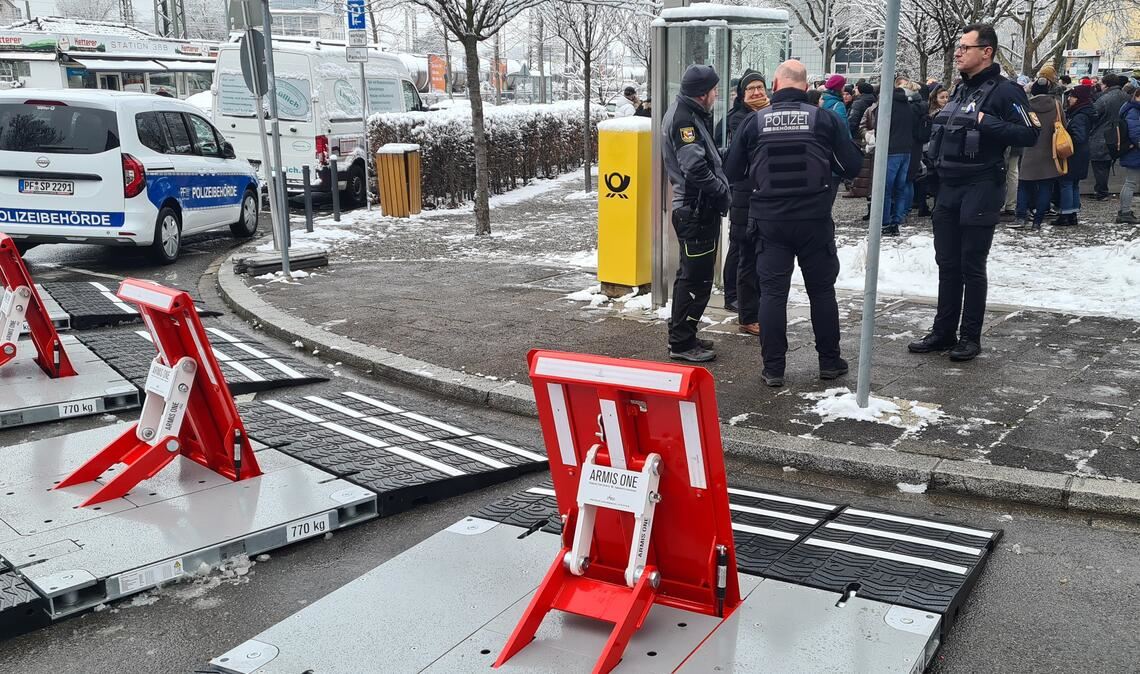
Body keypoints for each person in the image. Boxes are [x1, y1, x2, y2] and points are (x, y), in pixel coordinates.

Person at [724, 60, 863, 387]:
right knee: (821, 291)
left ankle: (773, 369)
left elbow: (732, 171)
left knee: (772, 294)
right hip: (814, 219)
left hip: (770, 222)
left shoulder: (754, 122)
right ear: (805, 86)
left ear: (774, 84)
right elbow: (852, 164)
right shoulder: (824, 119)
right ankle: (829, 361)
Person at [909, 23, 1037, 362]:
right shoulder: (961, 89)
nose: (959, 53)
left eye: (965, 47)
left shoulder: (1006, 91)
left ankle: (970, 337)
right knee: (947, 263)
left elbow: (1029, 135)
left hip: (981, 186)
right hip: (949, 187)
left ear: (987, 52)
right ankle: (943, 332)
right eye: (958, 48)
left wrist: (985, 122)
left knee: (971, 264)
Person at [661, 64, 730, 363]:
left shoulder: (688, 113)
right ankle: (681, 343)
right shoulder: (684, 120)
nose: (717, 93)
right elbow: (694, 168)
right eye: (714, 89)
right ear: (703, 93)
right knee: (696, 279)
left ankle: (683, 333)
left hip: (695, 209)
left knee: (690, 276)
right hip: (696, 210)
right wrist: (721, 191)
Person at [717, 70, 768, 336]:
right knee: (740, 246)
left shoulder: (764, 114)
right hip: (743, 192)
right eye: (752, 89)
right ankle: (733, 297)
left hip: (758, 192)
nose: (757, 93)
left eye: (760, 87)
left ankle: (743, 297)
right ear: (742, 94)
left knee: (744, 247)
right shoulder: (738, 119)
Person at [864, 78, 917, 235]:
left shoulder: (886, 106)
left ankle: (884, 222)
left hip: (890, 150)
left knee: (885, 189)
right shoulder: (908, 105)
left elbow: (880, 129)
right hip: (906, 150)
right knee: (900, 188)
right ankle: (896, 221)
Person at [1012, 79, 1063, 230]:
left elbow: (1018, 126)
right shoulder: (1056, 105)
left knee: (1024, 186)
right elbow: (1063, 126)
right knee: (1046, 187)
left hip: (1028, 151)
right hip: (1050, 152)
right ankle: (1038, 221)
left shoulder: (1026, 105)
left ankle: (1021, 217)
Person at [1056, 84, 1096, 226]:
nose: (1069, 99)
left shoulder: (1079, 115)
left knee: (1066, 183)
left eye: (1072, 97)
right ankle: (1072, 214)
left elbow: (1079, 137)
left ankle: (1065, 214)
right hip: (1082, 153)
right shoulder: (1085, 112)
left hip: (1074, 153)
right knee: (1074, 184)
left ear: (1078, 99)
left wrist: (1065, 138)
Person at [1090, 74, 1129, 200]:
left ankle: (1101, 192)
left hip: (1102, 135)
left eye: (1101, 84)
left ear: (1106, 84)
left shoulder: (1104, 99)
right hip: (1121, 135)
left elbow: (1093, 115)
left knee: (1100, 164)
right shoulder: (1127, 96)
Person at [914, 86, 949, 216]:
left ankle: (928, 205)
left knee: (930, 177)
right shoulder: (935, 113)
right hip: (932, 147)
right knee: (931, 177)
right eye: (942, 97)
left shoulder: (932, 111)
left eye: (946, 97)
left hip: (932, 147)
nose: (945, 100)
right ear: (935, 98)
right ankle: (928, 205)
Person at [1116, 86, 1140, 223]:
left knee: (1130, 183)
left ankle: (1124, 211)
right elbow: (1135, 133)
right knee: (1130, 183)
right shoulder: (1134, 110)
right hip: (1134, 151)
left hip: (1133, 151)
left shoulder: (1131, 108)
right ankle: (1124, 212)